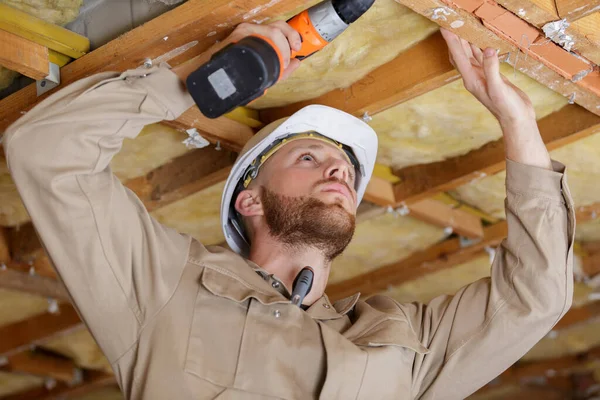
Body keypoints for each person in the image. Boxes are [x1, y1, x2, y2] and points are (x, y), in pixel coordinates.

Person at [3, 20, 574, 400]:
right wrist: (206, 82)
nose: (339, 173)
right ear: (249, 199)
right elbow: (47, 152)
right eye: (311, 156)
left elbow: (536, 297)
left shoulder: (404, 347)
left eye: (345, 171)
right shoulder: (166, 287)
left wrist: (517, 120)